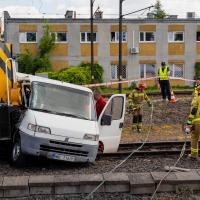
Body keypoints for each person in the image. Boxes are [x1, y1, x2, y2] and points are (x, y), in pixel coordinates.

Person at [187, 85, 200, 160]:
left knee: (194, 138)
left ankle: (194, 156)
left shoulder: (196, 99)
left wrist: (188, 124)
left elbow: (193, 112)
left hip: (198, 122)